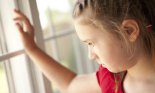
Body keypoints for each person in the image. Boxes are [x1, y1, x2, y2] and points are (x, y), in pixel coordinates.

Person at [13, 0, 155, 93]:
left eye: (91, 43)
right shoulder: (112, 80)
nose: (90, 55)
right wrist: (32, 49)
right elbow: (70, 84)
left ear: (129, 31)